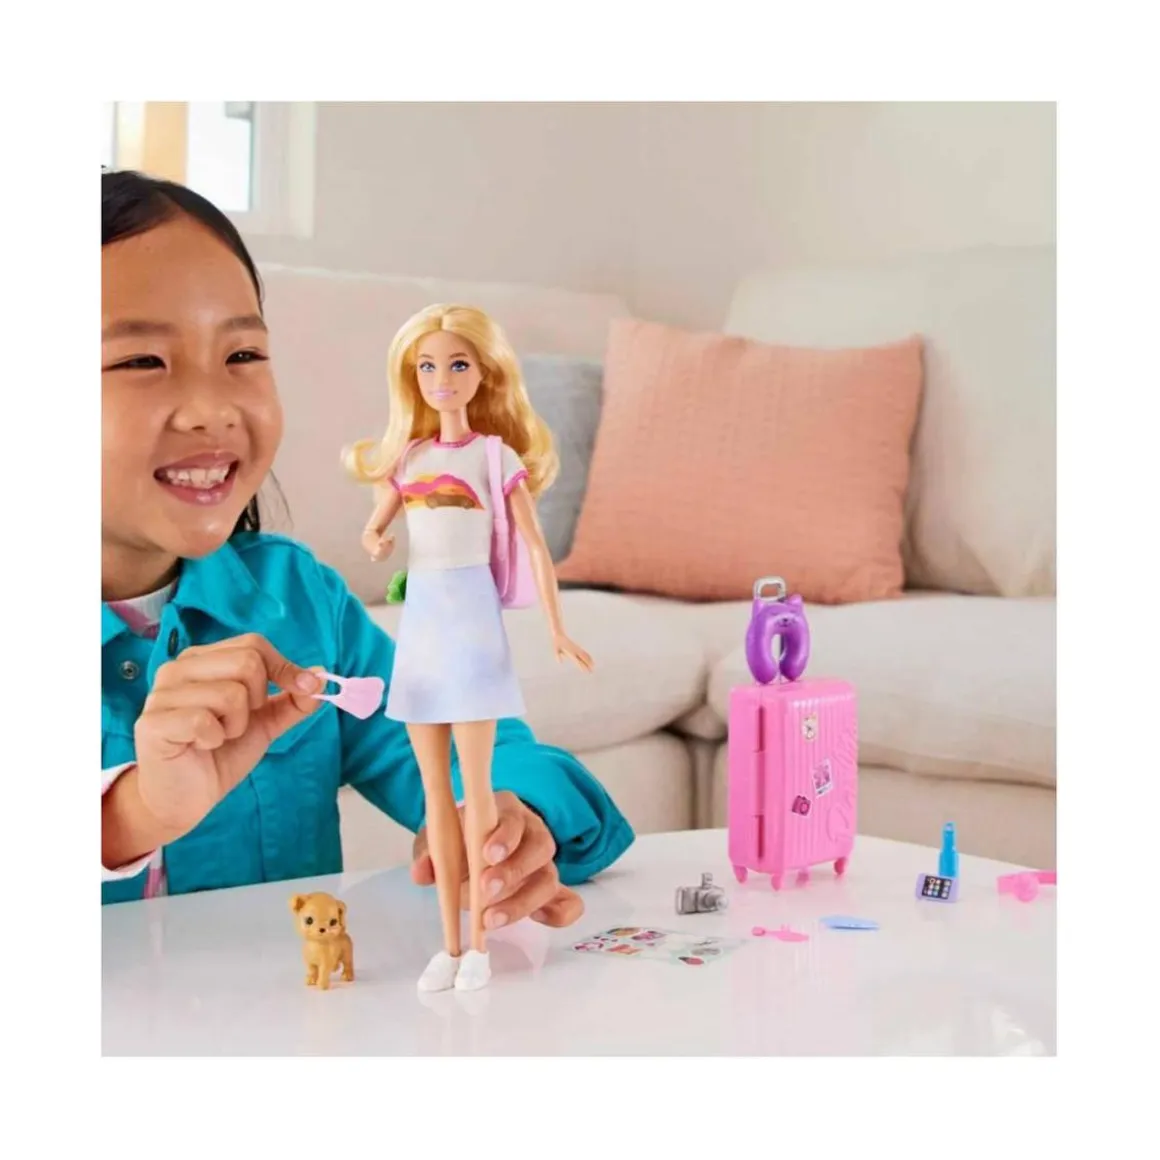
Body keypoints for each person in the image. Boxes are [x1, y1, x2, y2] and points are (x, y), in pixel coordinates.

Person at [100, 170, 634, 931]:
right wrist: (132, 814)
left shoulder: (298, 601)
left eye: (243, 355)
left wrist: (511, 817)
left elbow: (472, 749)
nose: (212, 409)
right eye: (141, 361)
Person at [346, 304, 595, 992]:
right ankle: (450, 947)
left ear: (483, 373)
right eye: (427, 366)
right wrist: (375, 540)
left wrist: (556, 627)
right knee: (435, 793)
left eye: (456, 364)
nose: (441, 379)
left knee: (476, 787)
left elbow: (535, 547)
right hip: (423, 624)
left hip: (473, 622)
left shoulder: (494, 456)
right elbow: (376, 526)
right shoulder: (412, 458)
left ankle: (480, 944)